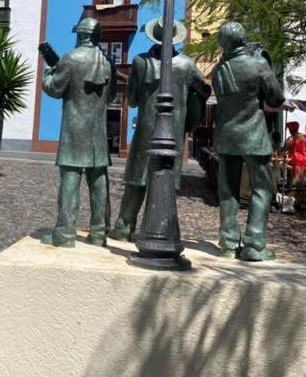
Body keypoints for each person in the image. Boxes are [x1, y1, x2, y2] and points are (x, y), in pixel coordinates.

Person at [110, 17, 211, 242]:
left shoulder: (140, 62)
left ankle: (124, 226)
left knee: (137, 179)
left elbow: (134, 100)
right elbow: (204, 89)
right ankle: (163, 230)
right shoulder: (187, 65)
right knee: (166, 182)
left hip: (147, 128)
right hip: (173, 132)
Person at [212, 22, 285, 261]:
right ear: (243, 39)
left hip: (226, 136)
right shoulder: (258, 64)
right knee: (262, 188)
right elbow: (276, 99)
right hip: (253, 136)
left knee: (228, 190)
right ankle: (254, 244)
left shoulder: (219, 69)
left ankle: (228, 243)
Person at [41, 18, 116, 247]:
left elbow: (55, 89)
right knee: (99, 183)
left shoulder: (71, 58)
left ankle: (64, 234)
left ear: (80, 35)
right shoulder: (107, 63)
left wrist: (47, 73)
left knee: (70, 182)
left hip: (74, 131)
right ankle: (99, 234)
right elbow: (111, 97)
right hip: (98, 133)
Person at [284, 121, 306, 210]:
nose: (289, 131)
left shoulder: (289, 139)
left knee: (294, 183)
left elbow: (285, 152)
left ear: (291, 129)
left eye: (289, 129)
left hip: (294, 162)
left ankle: (293, 204)